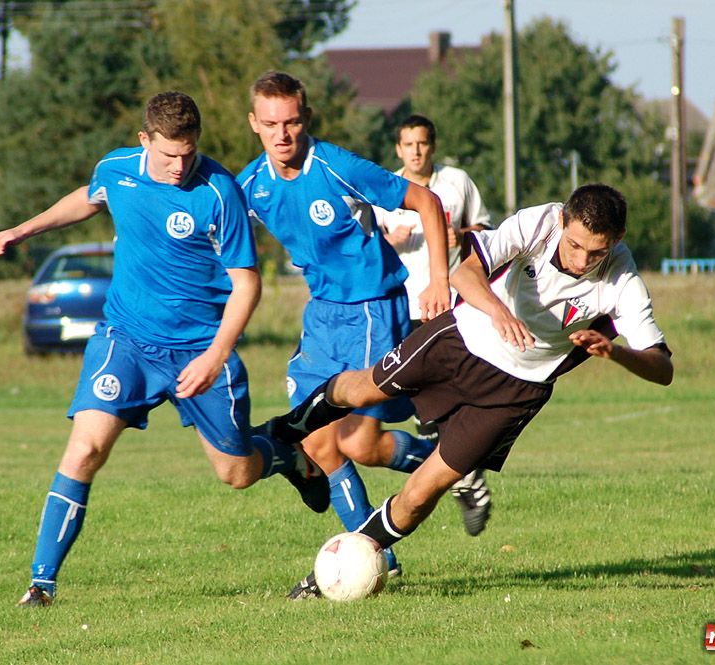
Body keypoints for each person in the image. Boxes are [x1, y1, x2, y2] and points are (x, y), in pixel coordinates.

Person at [0, 91, 328, 608]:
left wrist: (215, 356)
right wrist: (21, 231)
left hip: (200, 351)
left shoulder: (220, 191)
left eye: (189, 153)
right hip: (126, 340)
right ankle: (41, 586)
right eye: (168, 155)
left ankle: (288, 457)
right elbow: (91, 196)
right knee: (86, 448)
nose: (180, 166)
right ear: (144, 140)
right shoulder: (117, 169)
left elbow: (247, 283)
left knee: (236, 473)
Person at [261, 184, 675, 598]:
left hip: (514, 393)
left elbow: (662, 368)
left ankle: (338, 572)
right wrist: (497, 311)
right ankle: (281, 431)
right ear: (563, 221)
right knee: (365, 389)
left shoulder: (623, 281)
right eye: (575, 246)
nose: (582, 261)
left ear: (617, 239)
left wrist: (616, 352)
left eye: (597, 253)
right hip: (460, 340)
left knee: (422, 493)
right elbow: (464, 273)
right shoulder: (539, 223)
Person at [237, 71, 491, 596]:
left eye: (292, 122)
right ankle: (379, 559)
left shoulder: (337, 166)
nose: (283, 134)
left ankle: (456, 466)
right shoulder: (251, 185)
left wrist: (439, 281)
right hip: (322, 317)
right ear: (254, 124)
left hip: (374, 309)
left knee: (356, 440)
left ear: (306, 119)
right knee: (319, 442)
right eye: (271, 124)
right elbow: (212, 229)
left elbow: (427, 202)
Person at [375, 114, 494, 535]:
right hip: (399, 306)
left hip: (451, 304)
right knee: (416, 402)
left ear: (433, 145)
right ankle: (462, 474)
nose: (416, 150)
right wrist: (387, 241)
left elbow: (487, 231)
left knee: (439, 396)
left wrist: (462, 233)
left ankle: (460, 473)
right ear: (398, 149)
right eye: (408, 144)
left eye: (422, 143)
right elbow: (366, 239)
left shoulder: (456, 182)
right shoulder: (385, 188)